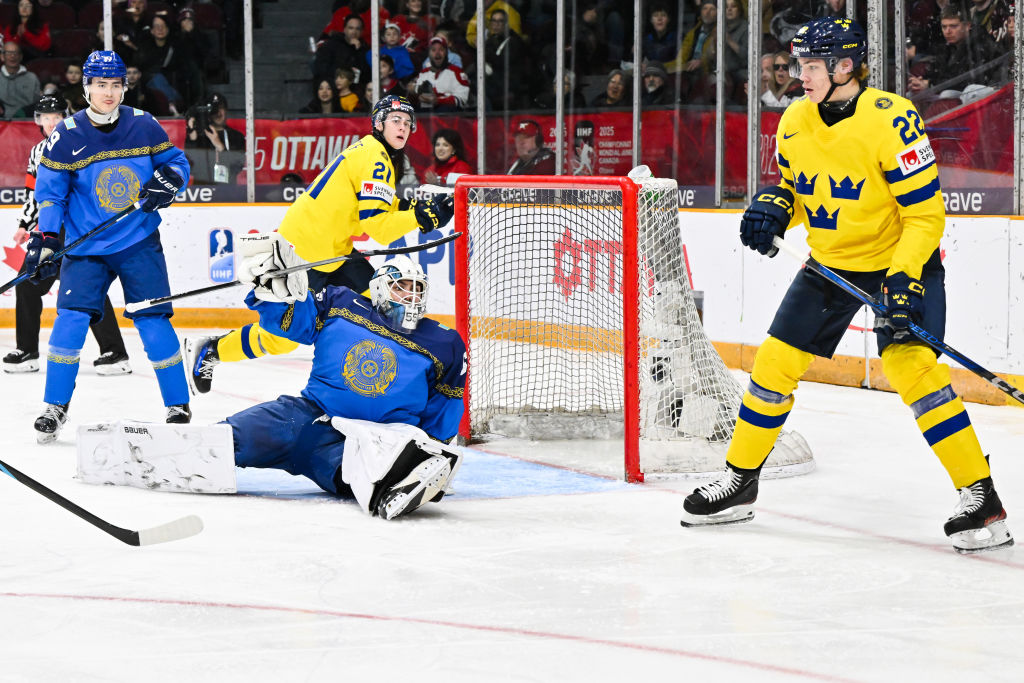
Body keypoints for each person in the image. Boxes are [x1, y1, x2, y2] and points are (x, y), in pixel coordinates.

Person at [680, 18, 1014, 555]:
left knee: (915, 372)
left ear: (843, 67)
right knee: (773, 365)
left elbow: (926, 217)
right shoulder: (794, 119)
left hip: (901, 265)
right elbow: (797, 187)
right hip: (831, 266)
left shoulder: (892, 120)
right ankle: (740, 481)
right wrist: (776, 208)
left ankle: (982, 498)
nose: (799, 76)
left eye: (810, 66)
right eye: (797, 65)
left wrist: (904, 283)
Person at [79, 255, 466, 521]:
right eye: (403, 288)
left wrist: (432, 442)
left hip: (368, 438)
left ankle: (405, 480)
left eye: (418, 289)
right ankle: (124, 453)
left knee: (365, 472)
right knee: (223, 440)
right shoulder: (342, 302)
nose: (412, 297)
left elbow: (445, 407)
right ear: (381, 288)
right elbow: (289, 323)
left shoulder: (443, 342)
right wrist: (269, 290)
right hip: (307, 417)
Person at [182, 95, 455, 395]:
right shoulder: (376, 157)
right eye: (395, 120)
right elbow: (376, 225)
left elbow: (377, 205)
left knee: (379, 306)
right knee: (284, 337)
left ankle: (391, 382)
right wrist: (420, 218)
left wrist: (412, 208)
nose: (402, 126)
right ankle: (212, 350)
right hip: (303, 253)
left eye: (407, 122)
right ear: (379, 123)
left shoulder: (376, 153)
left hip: (332, 250)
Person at [31, 50, 192, 443]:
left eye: (116, 84)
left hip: (138, 241)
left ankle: (177, 404)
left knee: (153, 321)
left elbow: (177, 163)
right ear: (87, 87)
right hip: (87, 248)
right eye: (100, 84)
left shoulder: (144, 125)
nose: (108, 92)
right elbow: (51, 195)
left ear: (125, 86)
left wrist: (170, 180)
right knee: (69, 320)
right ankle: (54, 407)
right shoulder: (65, 136)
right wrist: (49, 239)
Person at [4, 94, 131, 376]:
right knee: (27, 284)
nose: (50, 123)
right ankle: (27, 351)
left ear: (66, 116)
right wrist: (25, 224)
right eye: (45, 118)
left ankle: (115, 353)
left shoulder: (84, 143)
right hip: (49, 230)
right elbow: (34, 195)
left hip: (78, 229)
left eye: (56, 117)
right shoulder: (37, 151)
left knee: (88, 287)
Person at [184, 92, 245, 186]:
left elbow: (237, 167)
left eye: (221, 108)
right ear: (208, 113)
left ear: (226, 110)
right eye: (214, 109)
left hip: (228, 192)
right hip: (203, 192)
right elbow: (190, 167)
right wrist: (192, 134)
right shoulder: (199, 136)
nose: (218, 113)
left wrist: (220, 146)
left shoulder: (236, 136)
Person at [411, 35, 470, 112]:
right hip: (425, 116)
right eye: (433, 50)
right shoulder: (423, 73)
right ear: (429, 54)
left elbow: (462, 99)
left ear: (446, 52)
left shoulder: (457, 72)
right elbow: (413, 91)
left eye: (441, 50)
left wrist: (438, 101)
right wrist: (415, 91)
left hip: (448, 117)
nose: (437, 53)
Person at [0, 39, 40, 119]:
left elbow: (37, 105)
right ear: (2, 57)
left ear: (21, 56)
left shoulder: (32, 78)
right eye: (8, 53)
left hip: (27, 122)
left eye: (16, 53)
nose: (12, 56)